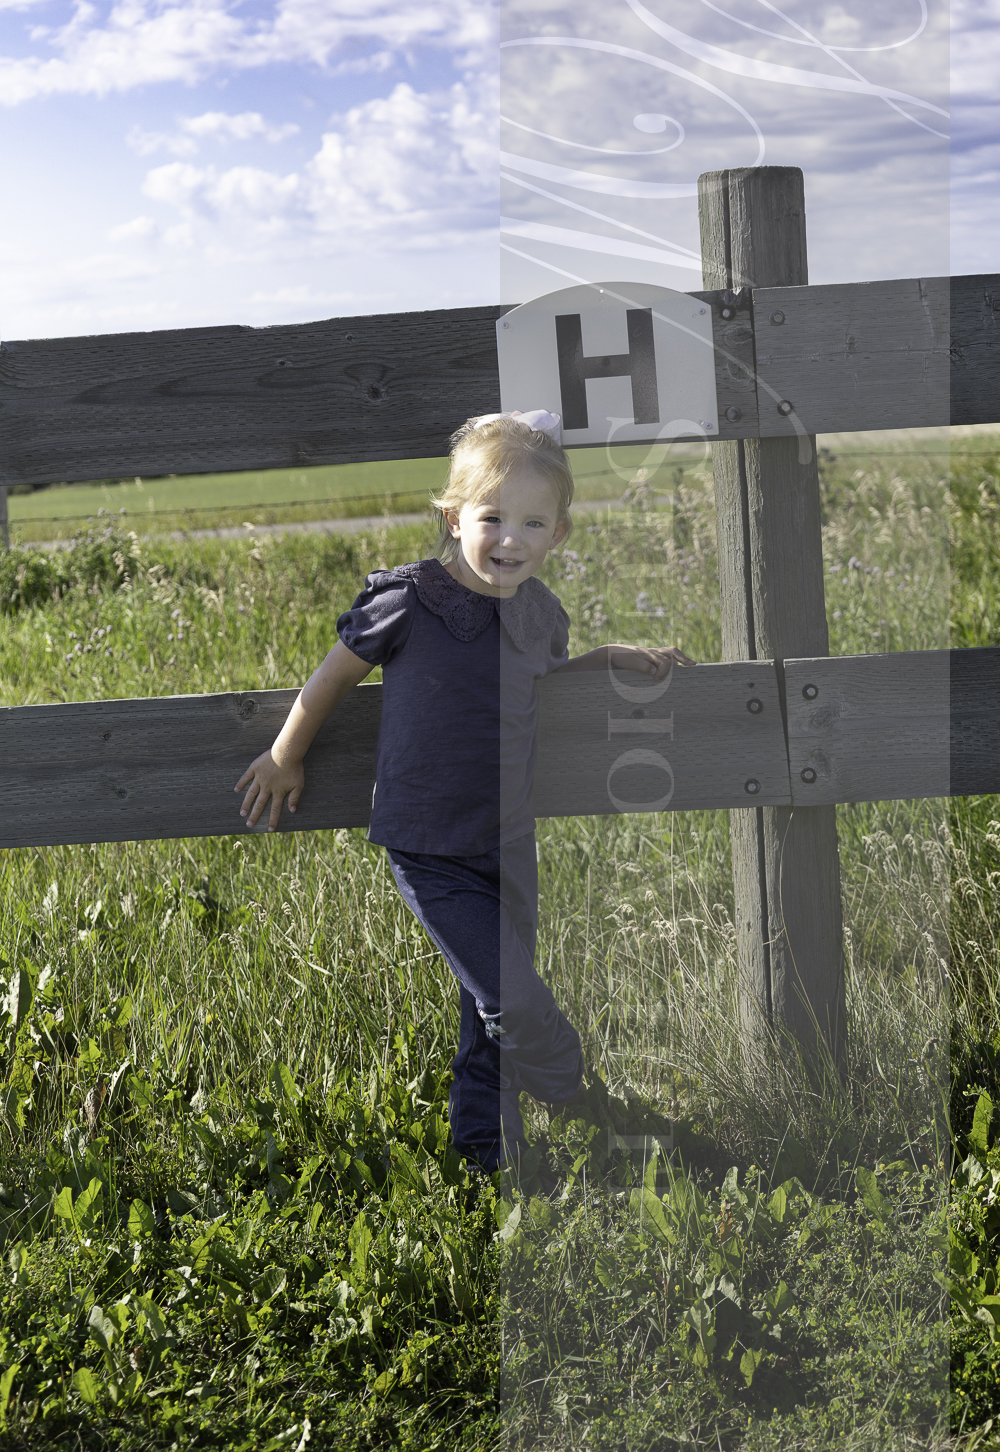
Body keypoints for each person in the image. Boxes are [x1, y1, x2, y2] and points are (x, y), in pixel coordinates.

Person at [235, 410, 695, 1174]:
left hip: (509, 842)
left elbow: (546, 681)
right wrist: (286, 755)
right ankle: (569, 1085)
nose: (511, 539)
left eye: (533, 523)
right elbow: (332, 679)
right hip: (430, 849)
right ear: (454, 518)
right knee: (513, 999)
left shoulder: (540, 615)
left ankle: (486, 1154)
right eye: (492, 519)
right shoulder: (410, 600)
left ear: (558, 534)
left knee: (487, 1011)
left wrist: (609, 655)